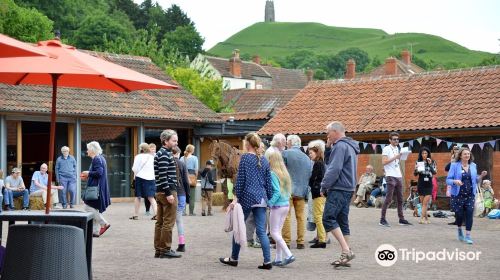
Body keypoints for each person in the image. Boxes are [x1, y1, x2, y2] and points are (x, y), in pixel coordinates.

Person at [220, 132, 273, 270]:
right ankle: (267, 261)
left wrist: (234, 199)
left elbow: (241, 180)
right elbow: (269, 183)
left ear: (247, 144)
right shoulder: (265, 160)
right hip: (261, 198)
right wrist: (268, 199)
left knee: (238, 228)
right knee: (262, 231)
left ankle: (234, 258)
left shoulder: (245, 159)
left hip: (247, 198)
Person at [320, 121, 358, 267]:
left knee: (328, 219)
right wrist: (329, 148)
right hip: (348, 188)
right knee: (342, 221)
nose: (327, 135)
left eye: (328, 132)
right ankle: (345, 255)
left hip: (339, 188)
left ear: (335, 132)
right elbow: (332, 163)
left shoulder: (340, 146)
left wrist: (324, 186)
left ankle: (346, 251)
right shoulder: (350, 146)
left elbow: (333, 169)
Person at [447, 147, 487, 244]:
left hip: (470, 195)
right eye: (465, 154)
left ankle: (468, 236)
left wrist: (481, 176)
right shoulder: (454, 165)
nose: (467, 155)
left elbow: (475, 180)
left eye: (468, 154)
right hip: (458, 195)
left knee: (469, 213)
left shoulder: (473, 165)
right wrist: (455, 181)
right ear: (460, 155)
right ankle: (459, 229)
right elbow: (448, 180)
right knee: (459, 215)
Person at [154, 129, 181, 258]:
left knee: (160, 222)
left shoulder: (160, 153)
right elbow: (164, 176)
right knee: (168, 222)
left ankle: (159, 250)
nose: (176, 142)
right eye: (174, 140)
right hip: (167, 191)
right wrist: (169, 193)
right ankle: (165, 249)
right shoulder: (165, 154)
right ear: (166, 141)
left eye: (176, 140)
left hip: (159, 191)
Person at [281, 134, 312, 249]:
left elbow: (281, 171)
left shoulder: (285, 153)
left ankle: (286, 241)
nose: (286, 144)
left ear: (290, 142)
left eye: (287, 142)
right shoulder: (307, 158)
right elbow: (309, 174)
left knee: (286, 216)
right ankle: (300, 241)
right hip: (302, 191)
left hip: (287, 190)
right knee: (301, 217)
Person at [266, 151, 295, 266]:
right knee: (278, 233)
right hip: (286, 205)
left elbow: (276, 192)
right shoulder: (284, 173)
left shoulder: (273, 173)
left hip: (277, 207)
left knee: (273, 233)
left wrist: (269, 203)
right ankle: (278, 258)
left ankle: (289, 255)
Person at [379, 132, 412, 227]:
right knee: (389, 198)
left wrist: (402, 156)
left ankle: (401, 219)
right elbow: (384, 162)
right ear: (390, 140)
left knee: (400, 199)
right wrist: (396, 157)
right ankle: (382, 219)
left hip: (398, 175)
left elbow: (397, 161)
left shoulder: (398, 148)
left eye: (397, 139)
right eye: (394, 139)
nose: (396, 141)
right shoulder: (386, 148)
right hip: (390, 176)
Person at [80, 141, 111, 237]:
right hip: (99, 188)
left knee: (88, 207)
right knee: (93, 208)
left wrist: (88, 173)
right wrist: (88, 176)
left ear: (92, 150)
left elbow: (99, 173)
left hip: (96, 189)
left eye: (88, 149)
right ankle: (95, 231)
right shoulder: (100, 158)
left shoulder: (96, 159)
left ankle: (104, 223)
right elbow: (97, 173)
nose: (87, 151)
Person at [130, 143, 157, 220]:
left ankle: (135, 215)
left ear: (141, 149)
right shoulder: (152, 157)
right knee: (151, 197)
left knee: (138, 196)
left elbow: (134, 169)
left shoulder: (138, 157)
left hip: (140, 178)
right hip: (151, 178)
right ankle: (156, 214)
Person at [308, 140, 327, 248]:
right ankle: (321, 238)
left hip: (318, 193)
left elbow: (315, 177)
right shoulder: (320, 163)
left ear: (316, 152)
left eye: (311, 153)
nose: (310, 155)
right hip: (320, 192)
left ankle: (322, 240)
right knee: (318, 216)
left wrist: (311, 183)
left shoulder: (318, 163)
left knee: (318, 216)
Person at [172, 146, 190, 252]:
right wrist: (188, 196)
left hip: (171, 195)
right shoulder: (182, 164)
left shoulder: (168, 164)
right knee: (179, 221)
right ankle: (181, 244)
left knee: (168, 221)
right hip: (182, 194)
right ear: (178, 153)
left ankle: (166, 244)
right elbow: (186, 182)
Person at [413, 147, 437, 224]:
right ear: (421, 154)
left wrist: (429, 164)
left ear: (428, 154)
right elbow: (415, 174)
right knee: (423, 203)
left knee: (425, 203)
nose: (424, 155)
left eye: (426, 153)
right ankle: (426, 218)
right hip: (421, 182)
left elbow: (434, 172)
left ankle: (422, 218)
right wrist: (416, 169)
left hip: (429, 183)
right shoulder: (418, 162)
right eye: (423, 153)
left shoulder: (432, 162)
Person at [180, 144, 199, 216]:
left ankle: (183, 211)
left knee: (183, 195)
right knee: (192, 195)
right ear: (192, 150)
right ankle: (191, 212)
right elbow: (196, 170)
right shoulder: (195, 158)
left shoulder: (182, 158)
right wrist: (195, 177)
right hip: (192, 177)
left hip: (183, 178)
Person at [145, 143, 157, 217]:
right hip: (148, 177)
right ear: (149, 149)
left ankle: (155, 210)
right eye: (152, 149)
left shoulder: (156, 156)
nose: (153, 150)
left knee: (154, 194)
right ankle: (147, 210)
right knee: (148, 194)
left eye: (154, 149)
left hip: (155, 177)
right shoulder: (147, 156)